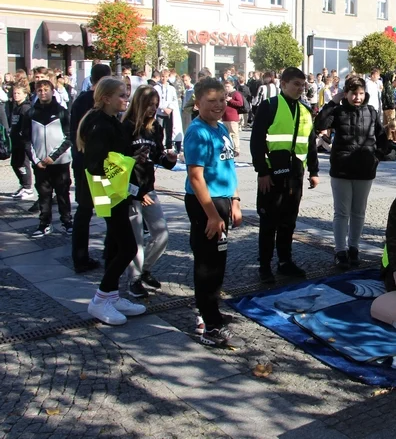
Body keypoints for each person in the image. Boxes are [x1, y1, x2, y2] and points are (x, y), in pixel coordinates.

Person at [77, 77, 147, 325]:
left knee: (118, 247)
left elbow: (117, 155)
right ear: (105, 98)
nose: (125, 99)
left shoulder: (110, 122)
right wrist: (127, 166)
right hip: (108, 193)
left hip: (116, 192)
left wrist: (133, 158)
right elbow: (97, 165)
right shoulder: (99, 125)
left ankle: (112, 295)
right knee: (127, 247)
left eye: (126, 94)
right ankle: (100, 299)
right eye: (121, 95)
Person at [183, 78, 244, 348]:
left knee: (218, 262)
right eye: (211, 101)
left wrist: (235, 200)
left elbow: (229, 168)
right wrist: (212, 214)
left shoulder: (219, 128)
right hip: (205, 204)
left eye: (222, 100)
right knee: (207, 264)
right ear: (198, 103)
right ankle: (210, 325)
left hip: (221, 201)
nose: (219, 105)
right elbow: (196, 177)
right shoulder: (198, 132)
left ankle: (209, 311)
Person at [251, 68, 320, 282]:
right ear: (283, 84)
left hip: (295, 174)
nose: (300, 88)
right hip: (272, 174)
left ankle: (284, 261)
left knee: (288, 221)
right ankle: (264, 266)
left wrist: (314, 172)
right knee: (269, 221)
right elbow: (256, 141)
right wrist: (262, 171)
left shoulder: (306, 111)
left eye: (302, 85)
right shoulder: (269, 106)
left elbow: (310, 144)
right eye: (296, 84)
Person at [315, 75, 388, 269]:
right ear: (346, 93)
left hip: (365, 169)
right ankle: (340, 251)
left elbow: (382, 138)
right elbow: (320, 125)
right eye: (353, 93)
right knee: (342, 212)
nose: (357, 97)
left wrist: (376, 157)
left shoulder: (371, 112)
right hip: (342, 169)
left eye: (361, 93)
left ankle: (354, 248)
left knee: (359, 212)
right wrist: (332, 102)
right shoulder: (338, 111)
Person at [121, 85, 178, 298]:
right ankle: (133, 280)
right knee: (136, 239)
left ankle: (145, 270)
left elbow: (158, 157)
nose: (153, 109)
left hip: (148, 189)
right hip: (130, 191)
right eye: (149, 105)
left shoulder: (156, 129)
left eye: (156, 105)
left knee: (161, 234)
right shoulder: (125, 127)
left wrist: (169, 160)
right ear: (139, 104)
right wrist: (136, 192)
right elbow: (118, 164)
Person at [69, 64, 112, 272]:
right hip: (97, 167)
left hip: (81, 163)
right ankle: (108, 250)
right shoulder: (99, 103)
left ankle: (80, 256)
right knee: (106, 209)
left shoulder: (79, 101)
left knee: (84, 211)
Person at [23, 79, 73, 238]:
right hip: (40, 164)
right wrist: (36, 160)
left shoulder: (61, 112)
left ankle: (67, 222)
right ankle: (44, 223)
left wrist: (53, 157)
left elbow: (69, 137)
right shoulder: (30, 113)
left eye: (46, 90)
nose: (43, 93)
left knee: (62, 193)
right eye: (40, 90)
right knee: (44, 194)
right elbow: (26, 139)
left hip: (60, 161)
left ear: (52, 91)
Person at [9, 83, 34, 201]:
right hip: (15, 141)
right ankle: (23, 184)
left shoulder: (25, 108)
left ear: (25, 94)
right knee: (15, 163)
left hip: (22, 141)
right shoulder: (16, 107)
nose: (16, 95)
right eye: (14, 93)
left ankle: (28, 187)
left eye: (18, 93)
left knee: (23, 164)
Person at [222, 80, 244, 155]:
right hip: (225, 117)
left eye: (228, 86)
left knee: (234, 134)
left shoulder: (236, 93)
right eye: (225, 86)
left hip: (233, 117)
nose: (226, 88)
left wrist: (231, 100)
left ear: (232, 86)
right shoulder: (225, 94)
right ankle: (228, 148)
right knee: (226, 134)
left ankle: (236, 149)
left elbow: (240, 103)